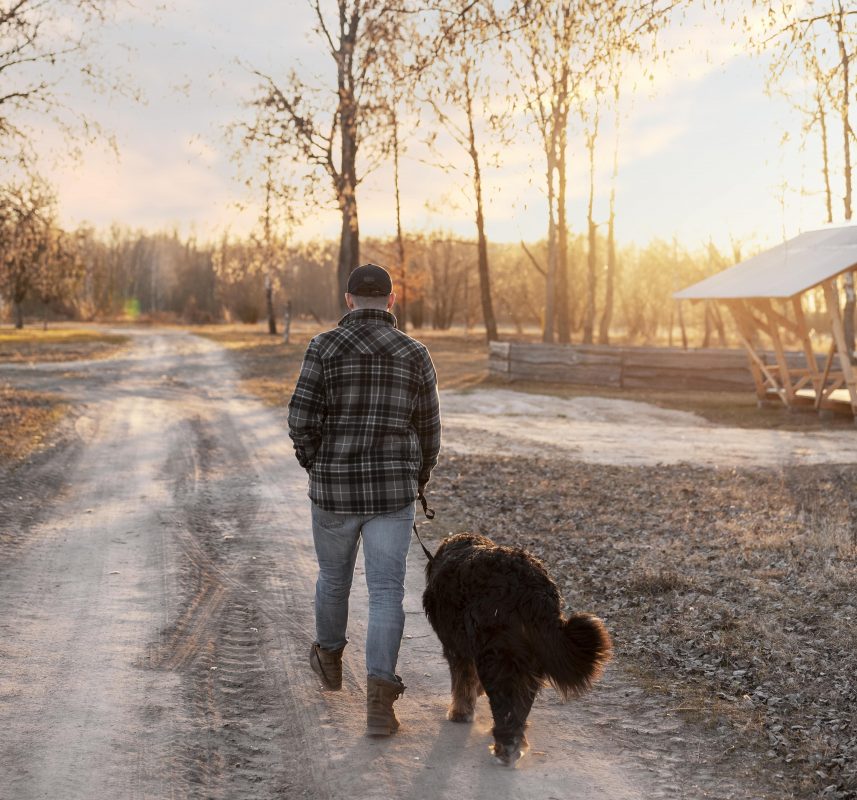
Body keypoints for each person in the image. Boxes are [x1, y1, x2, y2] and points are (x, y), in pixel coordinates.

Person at [287, 263, 441, 737]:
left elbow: (300, 418)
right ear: (391, 301)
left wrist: (317, 463)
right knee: (386, 593)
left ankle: (329, 660)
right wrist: (419, 476)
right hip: (391, 494)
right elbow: (430, 431)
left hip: (334, 491)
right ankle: (379, 700)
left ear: (348, 298)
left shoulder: (323, 347)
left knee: (333, 580)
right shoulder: (415, 353)